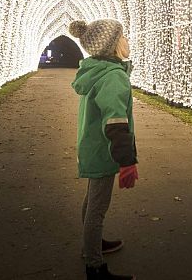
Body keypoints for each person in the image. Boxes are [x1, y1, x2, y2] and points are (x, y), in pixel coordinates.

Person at [69, 19, 138, 280]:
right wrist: (126, 161)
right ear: (113, 45)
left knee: (92, 202)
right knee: (97, 207)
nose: (127, 40)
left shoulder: (96, 71)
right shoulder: (113, 77)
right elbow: (116, 123)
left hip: (94, 148)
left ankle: (92, 245)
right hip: (104, 150)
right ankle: (94, 266)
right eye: (123, 36)